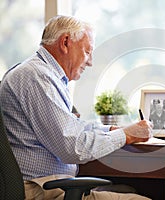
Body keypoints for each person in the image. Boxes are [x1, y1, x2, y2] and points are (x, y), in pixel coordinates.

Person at [0, 15, 152, 200]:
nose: (90, 62)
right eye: (87, 52)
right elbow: (74, 148)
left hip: (48, 184)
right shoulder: (38, 77)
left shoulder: (42, 74)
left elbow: (73, 128)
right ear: (65, 42)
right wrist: (125, 135)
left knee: (129, 190)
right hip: (41, 189)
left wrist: (111, 129)